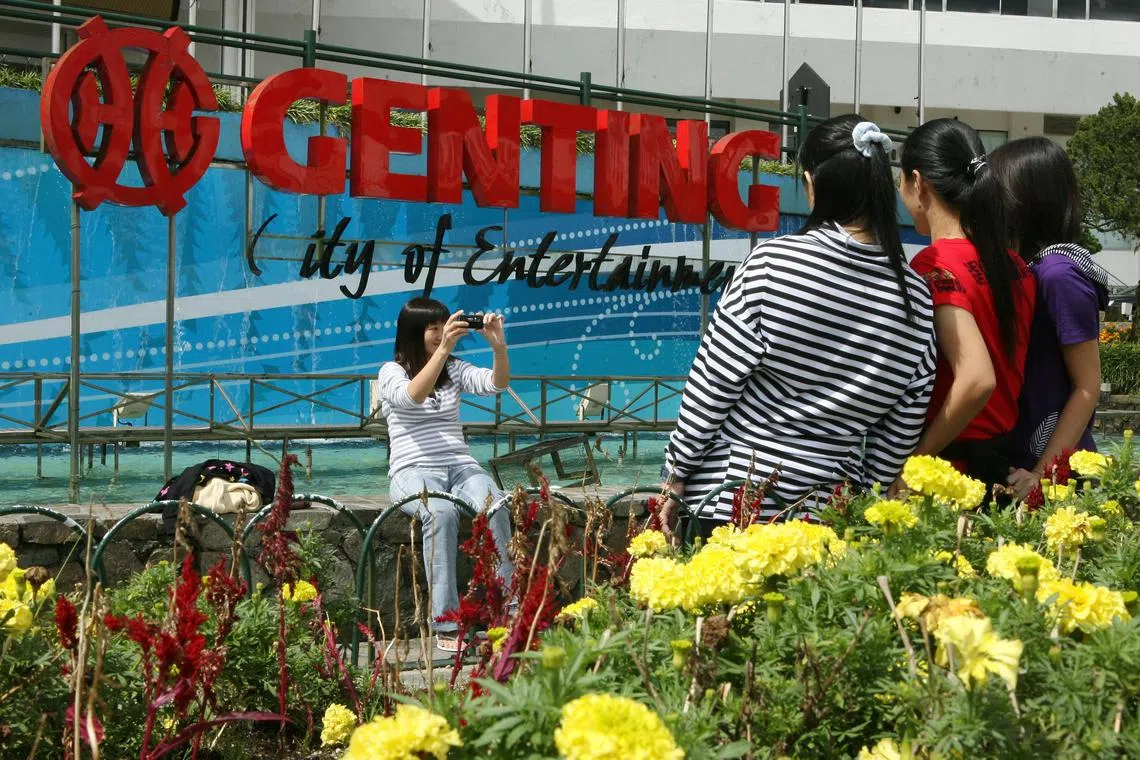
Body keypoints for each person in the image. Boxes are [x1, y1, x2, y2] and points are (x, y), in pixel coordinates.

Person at [661, 115, 938, 534]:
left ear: (812, 184)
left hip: (733, 502)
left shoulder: (772, 266)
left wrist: (675, 474)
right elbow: (899, 430)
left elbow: (712, 387)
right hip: (826, 519)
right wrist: (868, 496)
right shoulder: (915, 298)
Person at [898, 118, 1037, 491]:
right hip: (1002, 464)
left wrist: (915, 460)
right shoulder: (1016, 266)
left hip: (950, 472)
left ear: (917, 182)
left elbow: (977, 379)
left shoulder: (934, 266)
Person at [376, 297, 514, 652]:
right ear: (413, 332)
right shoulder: (392, 371)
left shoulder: (454, 369)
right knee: (440, 512)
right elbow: (411, 398)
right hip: (411, 471)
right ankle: (447, 622)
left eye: (443, 326)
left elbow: (496, 384)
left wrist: (498, 347)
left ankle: (508, 611)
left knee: (496, 505)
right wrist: (444, 351)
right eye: (432, 328)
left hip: (460, 466)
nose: (440, 334)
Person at [990, 137, 1108, 498]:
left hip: (1054, 475)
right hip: (1026, 461)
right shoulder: (1032, 268)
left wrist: (1042, 475)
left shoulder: (1058, 275)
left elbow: (1088, 386)